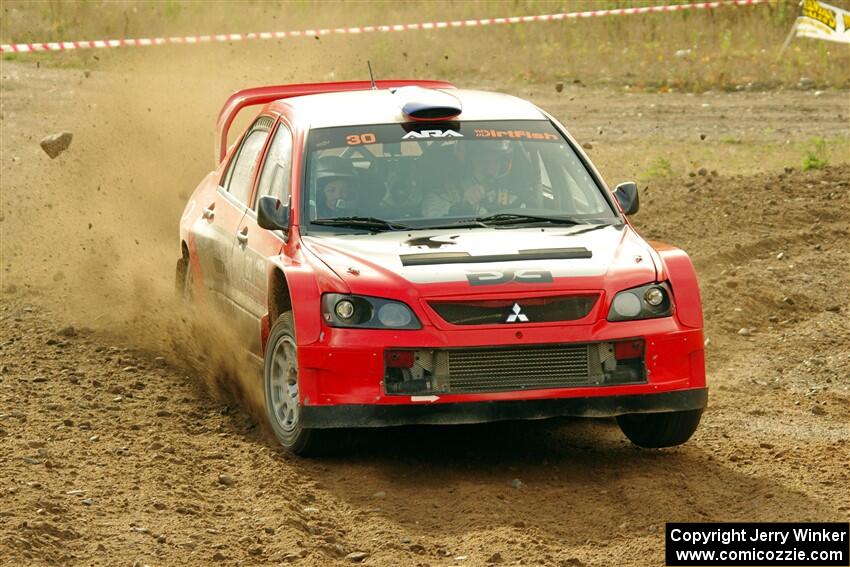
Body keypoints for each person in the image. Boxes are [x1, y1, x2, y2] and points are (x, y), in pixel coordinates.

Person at [421, 140, 530, 217]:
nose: (492, 165)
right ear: (470, 160)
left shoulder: (510, 198)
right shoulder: (442, 196)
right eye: (485, 158)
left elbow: (526, 218)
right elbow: (430, 222)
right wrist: (463, 206)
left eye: (497, 159)